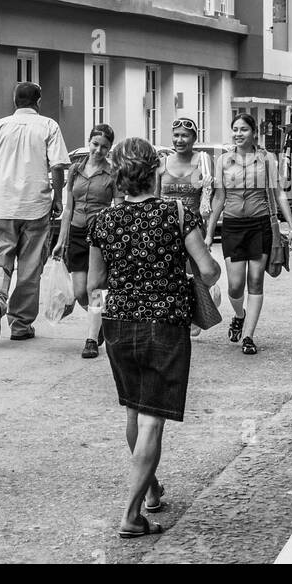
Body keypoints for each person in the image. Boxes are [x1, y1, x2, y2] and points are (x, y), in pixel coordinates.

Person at [87, 137, 220, 538]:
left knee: (133, 409)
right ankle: (131, 515)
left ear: (118, 177)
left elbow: (93, 284)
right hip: (165, 324)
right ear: (155, 172)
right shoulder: (176, 213)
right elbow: (209, 269)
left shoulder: (102, 223)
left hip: (119, 324)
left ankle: (151, 489)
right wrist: (187, 282)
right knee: (152, 421)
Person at [0, 81, 69, 341]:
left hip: (3, 206)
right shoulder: (49, 126)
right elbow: (58, 167)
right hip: (36, 207)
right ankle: (20, 325)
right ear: (38, 102)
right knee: (30, 268)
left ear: (15, 101)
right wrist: (57, 197)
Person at [204, 114, 292, 356]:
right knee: (235, 286)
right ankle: (239, 315)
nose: (238, 133)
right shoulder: (224, 160)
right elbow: (219, 198)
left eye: (243, 129)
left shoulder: (267, 159)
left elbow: (278, 194)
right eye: (235, 129)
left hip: (260, 226)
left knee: (255, 281)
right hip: (233, 226)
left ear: (253, 132)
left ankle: (248, 335)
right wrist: (208, 233)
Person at [52, 124, 115, 358]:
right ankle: (101, 321)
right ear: (89, 142)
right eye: (95, 144)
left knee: (95, 288)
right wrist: (61, 240)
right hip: (77, 234)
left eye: (104, 147)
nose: (98, 150)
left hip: (100, 237)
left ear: (109, 149)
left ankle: (91, 338)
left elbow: (116, 208)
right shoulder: (76, 170)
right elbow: (68, 208)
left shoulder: (112, 174)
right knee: (80, 292)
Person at [156, 116, 216, 338]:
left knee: (199, 274)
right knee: (168, 274)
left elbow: (211, 198)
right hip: (165, 229)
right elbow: (153, 199)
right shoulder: (161, 164)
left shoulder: (203, 161)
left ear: (194, 138)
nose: (179, 140)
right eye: (176, 135)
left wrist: (209, 234)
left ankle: (196, 309)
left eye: (184, 135)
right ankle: (172, 315)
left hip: (193, 228)